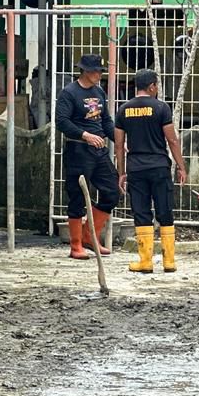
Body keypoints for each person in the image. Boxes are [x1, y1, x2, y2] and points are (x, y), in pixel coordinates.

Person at [116, 69, 188, 274]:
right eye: (157, 85)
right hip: (159, 167)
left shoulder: (124, 110)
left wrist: (121, 172)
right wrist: (181, 166)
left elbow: (120, 145)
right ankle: (169, 262)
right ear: (151, 87)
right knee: (165, 211)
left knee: (141, 213)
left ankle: (145, 262)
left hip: (136, 169)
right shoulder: (162, 108)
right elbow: (172, 140)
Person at [56, 54, 120, 260]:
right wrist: (85, 135)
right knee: (77, 196)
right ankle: (75, 245)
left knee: (112, 191)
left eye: (100, 71)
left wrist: (119, 141)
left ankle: (89, 236)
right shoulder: (69, 93)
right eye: (94, 71)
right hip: (78, 149)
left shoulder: (99, 92)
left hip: (99, 149)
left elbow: (106, 121)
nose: (98, 74)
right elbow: (62, 122)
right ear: (83, 71)